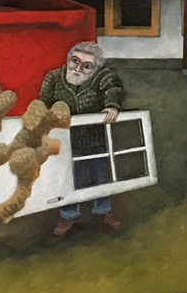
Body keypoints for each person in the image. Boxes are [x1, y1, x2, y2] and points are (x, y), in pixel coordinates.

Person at [40, 41, 125, 235]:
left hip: (95, 138)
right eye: (75, 61)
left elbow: (114, 89)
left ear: (96, 68)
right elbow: (43, 102)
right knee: (69, 178)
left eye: (87, 66)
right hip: (65, 140)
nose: (78, 68)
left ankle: (103, 210)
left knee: (100, 176)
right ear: (68, 59)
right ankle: (69, 214)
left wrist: (112, 106)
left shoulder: (103, 77)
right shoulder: (54, 77)